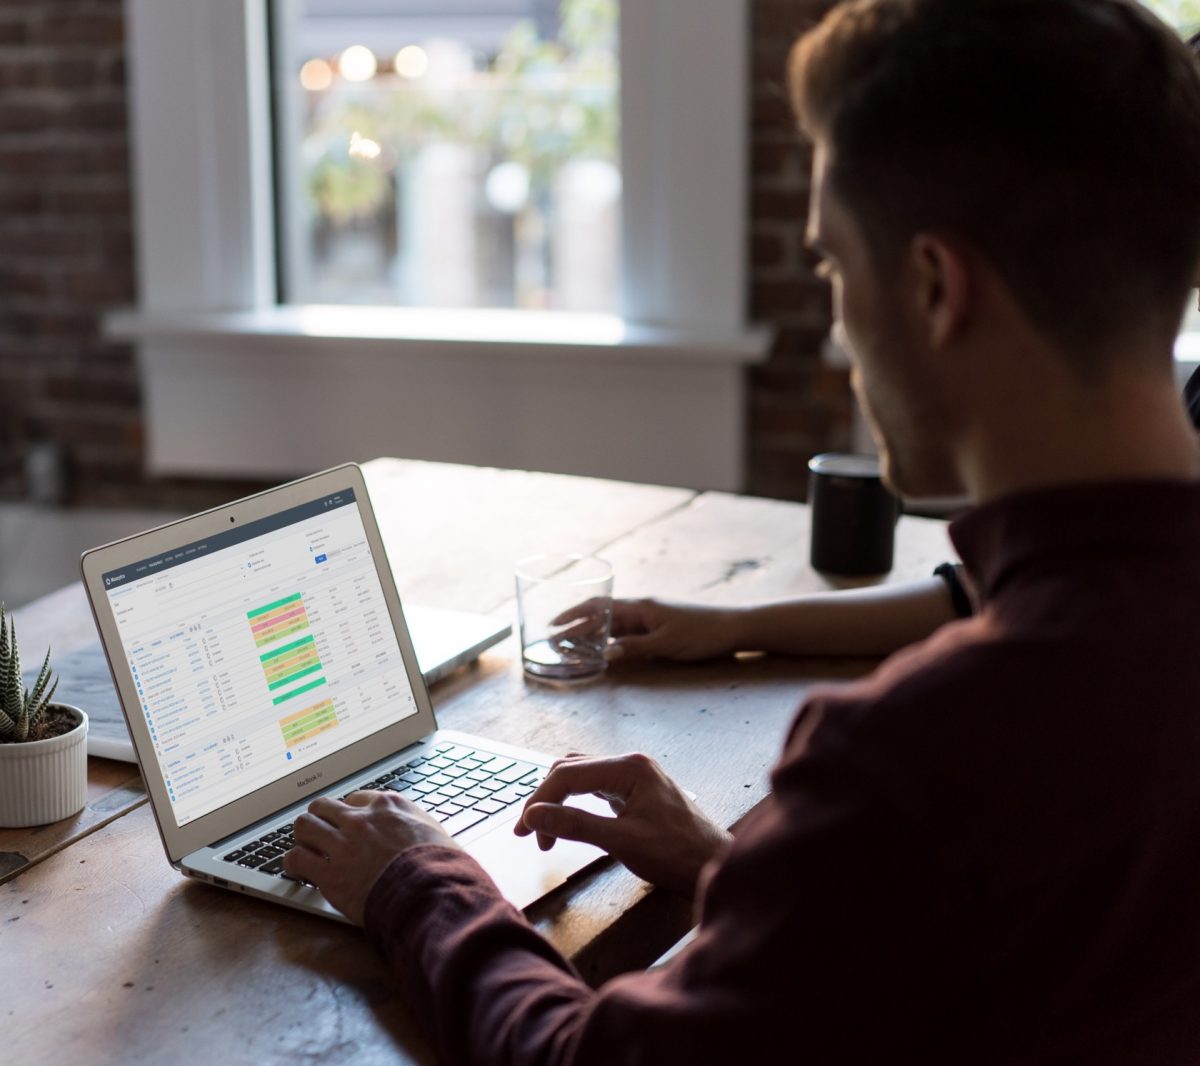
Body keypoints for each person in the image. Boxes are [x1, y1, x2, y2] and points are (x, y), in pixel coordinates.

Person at [284, 2, 1200, 1062]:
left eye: (832, 267)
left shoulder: (923, 754)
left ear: (937, 288)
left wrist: (418, 880)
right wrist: (748, 875)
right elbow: (995, 959)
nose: (835, 327)